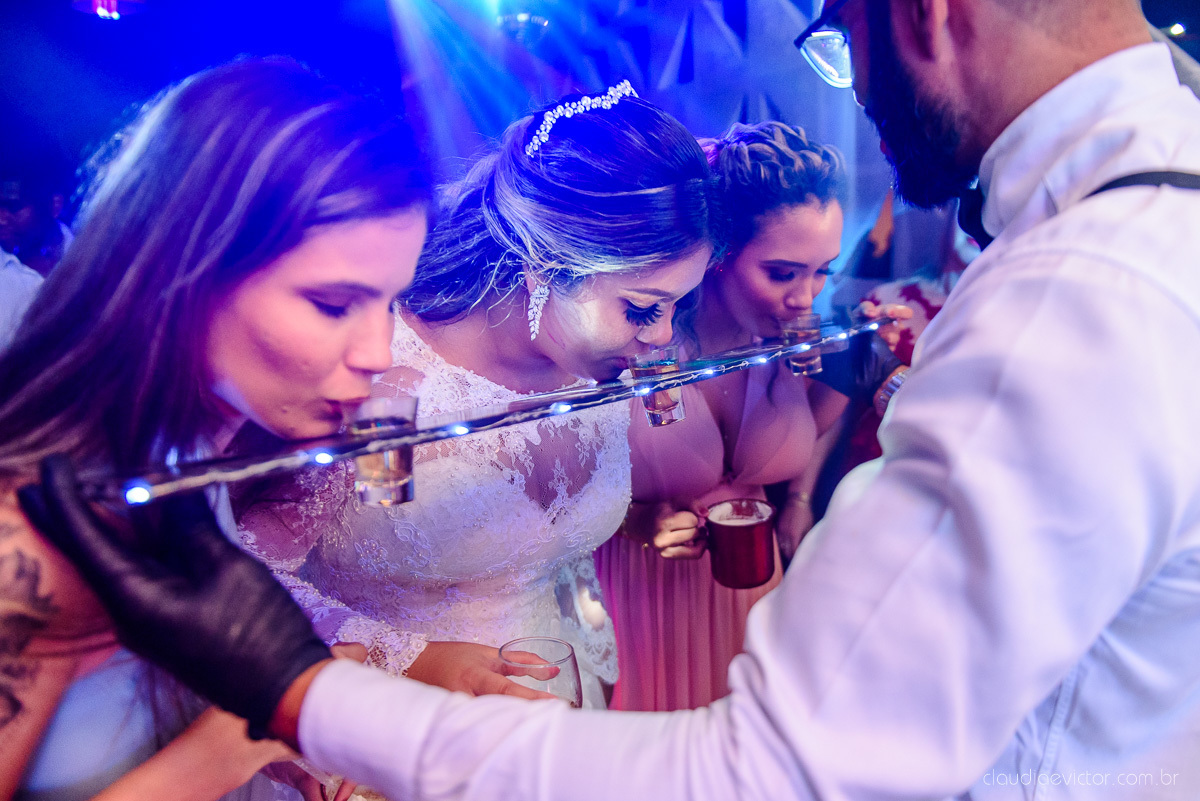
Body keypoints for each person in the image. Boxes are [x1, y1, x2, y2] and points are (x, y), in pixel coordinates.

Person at [25, 0, 1200, 797]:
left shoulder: (1078, 286)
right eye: (336, 301)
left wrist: (298, 692)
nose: (657, 343)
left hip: (557, 727)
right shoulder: (340, 403)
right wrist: (330, 683)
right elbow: (245, 584)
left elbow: (769, 768)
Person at [0, 58, 431, 800]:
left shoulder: (183, 446)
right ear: (186, 269)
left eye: (390, 301)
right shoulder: (37, 529)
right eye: (334, 304)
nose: (379, 354)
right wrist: (242, 735)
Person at [233, 83, 717, 710]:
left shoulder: (602, 371)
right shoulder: (388, 386)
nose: (662, 335)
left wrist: (631, 521)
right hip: (394, 725)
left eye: (677, 305)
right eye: (644, 308)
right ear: (544, 268)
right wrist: (411, 658)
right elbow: (242, 576)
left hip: (560, 705)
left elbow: (533, 530)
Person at [594, 120, 852, 711]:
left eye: (822, 271)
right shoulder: (635, 345)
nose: (805, 297)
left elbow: (829, 417)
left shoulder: (793, 341)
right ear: (717, 255)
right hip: (641, 603)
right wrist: (633, 519)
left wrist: (800, 501)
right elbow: (548, 489)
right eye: (783, 273)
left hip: (755, 599)